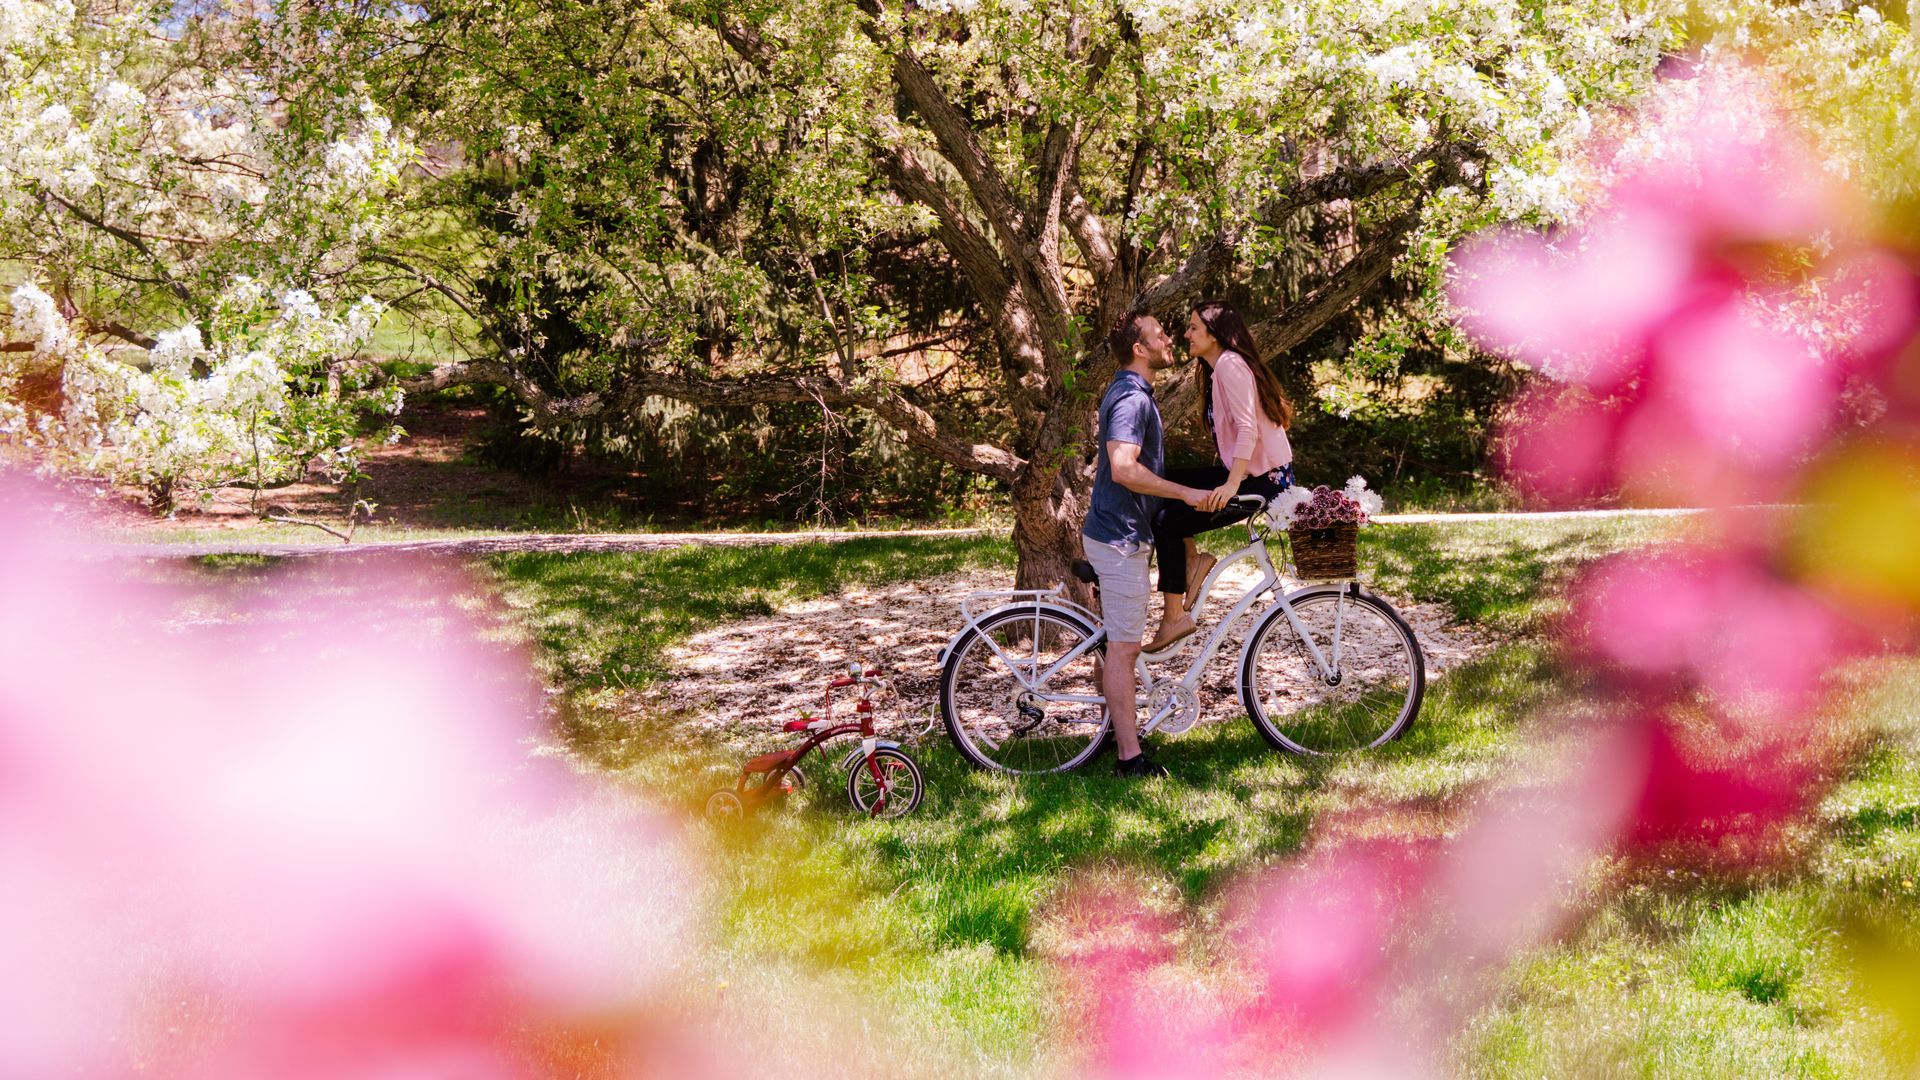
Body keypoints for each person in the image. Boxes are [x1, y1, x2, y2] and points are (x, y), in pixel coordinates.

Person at [1082, 311, 1212, 779]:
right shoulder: (1129, 399)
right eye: (1159, 334)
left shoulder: (1134, 393)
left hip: (1121, 533)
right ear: (1140, 349)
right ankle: (1129, 759)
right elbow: (1123, 467)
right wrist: (1184, 493)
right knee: (1124, 649)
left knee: (1119, 645)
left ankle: (1109, 734)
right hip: (1118, 539)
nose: (1168, 338)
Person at [1144, 300, 1295, 653]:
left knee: (1168, 521)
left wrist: (1230, 485)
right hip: (1248, 474)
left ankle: (1174, 617)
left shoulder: (1229, 365)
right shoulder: (1218, 369)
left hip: (1262, 480)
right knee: (1165, 486)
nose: (1186, 334)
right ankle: (1193, 561)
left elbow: (1247, 429)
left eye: (1194, 327)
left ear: (1215, 334)